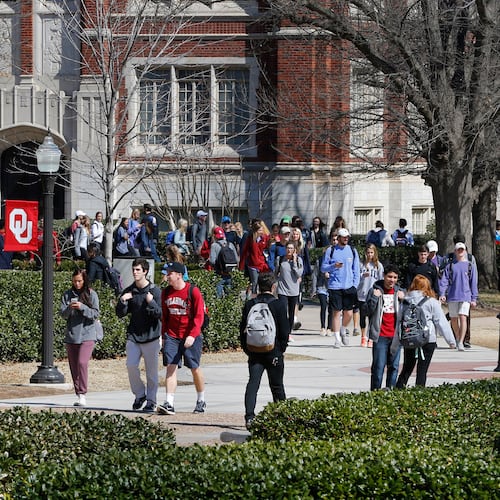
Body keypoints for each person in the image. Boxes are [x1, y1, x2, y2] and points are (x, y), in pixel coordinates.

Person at [239, 272, 289, 430]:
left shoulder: (249, 304)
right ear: (273, 287)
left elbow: (242, 330)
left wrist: (248, 350)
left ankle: (249, 417)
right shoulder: (278, 304)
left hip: (254, 351)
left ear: (258, 286)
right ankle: (281, 417)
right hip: (273, 351)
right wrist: (280, 350)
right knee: (277, 386)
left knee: (253, 384)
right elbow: (284, 331)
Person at [157, 262, 207, 415]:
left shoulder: (193, 291)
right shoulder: (165, 293)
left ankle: (201, 399)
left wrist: (192, 335)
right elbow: (164, 317)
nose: (167, 276)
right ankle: (169, 402)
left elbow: (200, 316)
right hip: (172, 335)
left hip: (190, 335)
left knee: (194, 368)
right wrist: (163, 336)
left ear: (179, 275)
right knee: (171, 366)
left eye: (170, 273)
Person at [115, 258, 162, 413]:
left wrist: (151, 302)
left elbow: (160, 314)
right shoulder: (129, 290)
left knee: (151, 372)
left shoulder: (154, 291)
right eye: (133, 269)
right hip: (134, 336)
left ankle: (151, 401)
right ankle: (140, 394)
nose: (135, 272)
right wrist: (123, 300)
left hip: (152, 337)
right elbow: (120, 314)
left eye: (138, 270)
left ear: (145, 272)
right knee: (131, 365)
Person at [393, 274, 456, 388]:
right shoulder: (432, 302)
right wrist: (451, 341)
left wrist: (394, 345)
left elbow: (399, 323)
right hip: (428, 339)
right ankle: (419, 394)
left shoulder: (405, 302)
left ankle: (398, 392)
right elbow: (441, 322)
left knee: (407, 368)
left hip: (409, 338)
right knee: (422, 370)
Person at [60, 269, 100, 407]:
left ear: (84, 280)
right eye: (75, 281)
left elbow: (95, 314)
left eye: (80, 281)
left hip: (88, 334)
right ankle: (78, 394)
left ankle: (83, 393)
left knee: (82, 363)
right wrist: (70, 308)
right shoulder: (67, 294)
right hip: (71, 335)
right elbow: (63, 314)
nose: (77, 284)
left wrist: (82, 307)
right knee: (74, 366)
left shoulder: (91, 294)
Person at [365, 263, 405, 390]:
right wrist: (374, 299)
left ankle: (390, 394)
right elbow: (366, 311)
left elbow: (407, 314)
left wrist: (404, 300)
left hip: (395, 336)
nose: (392, 280)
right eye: (389, 277)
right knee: (378, 367)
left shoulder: (400, 292)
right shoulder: (375, 291)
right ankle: (375, 393)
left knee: (394, 367)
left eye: (394, 277)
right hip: (380, 336)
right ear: (384, 276)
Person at [320, 228, 360, 348]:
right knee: (336, 313)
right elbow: (323, 268)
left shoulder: (352, 250)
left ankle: (343, 329)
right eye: (344, 237)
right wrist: (333, 266)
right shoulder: (331, 250)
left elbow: (356, 269)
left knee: (348, 313)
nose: (346, 239)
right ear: (338, 238)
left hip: (349, 286)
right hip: (335, 286)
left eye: (347, 237)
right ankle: (337, 338)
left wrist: (355, 285)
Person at [439, 242, 478, 351]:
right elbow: (444, 280)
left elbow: (473, 282)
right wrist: (442, 293)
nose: (460, 252)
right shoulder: (450, 265)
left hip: (466, 296)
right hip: (452, 296)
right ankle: (457, 338)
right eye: (458, 250)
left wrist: (474, 298)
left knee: (463, 317)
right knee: (454, 319)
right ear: (455, 251)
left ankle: (461, 341)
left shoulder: (470, 265)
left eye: (462, 250)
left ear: (465, 251)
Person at [357, 244, 384, 347]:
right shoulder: (361, 265)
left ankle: (371, 338)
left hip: (373, 294)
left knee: (373, 318)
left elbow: (381, 280)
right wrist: (362, 275)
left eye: (371, 253)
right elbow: (356, 277)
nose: (369, 255)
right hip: (362, 294)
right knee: (362, 317)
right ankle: (363, 336)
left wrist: (379, 291)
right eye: (368, 253)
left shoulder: (378, 265)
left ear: (375, 253)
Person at [276, 242, 304, 334]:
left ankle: (289, 331)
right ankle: (282, 330)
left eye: (291, 248)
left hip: (293, 290)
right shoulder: (280, 259)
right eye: (288, 248)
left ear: (295, 250)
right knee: (282, 310)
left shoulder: (299, 260)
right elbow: (276, 272)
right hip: (282, 289)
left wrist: (295, 262)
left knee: (291, 312)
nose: (289, 250)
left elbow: (298, 274)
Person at [239, 220, 270, 297]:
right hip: (252, 265)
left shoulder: (265, 238)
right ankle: (254, 299)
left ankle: (262, 297)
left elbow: (267, 250)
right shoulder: (250, 239)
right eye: (260, 230)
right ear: (255, 231)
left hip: (262, 264)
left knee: (263, 282)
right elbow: (244, 252)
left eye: (262, 229)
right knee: (254, 282)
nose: (262, 231)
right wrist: (241, 266)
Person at [209, 226, 239, 298]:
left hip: (219, 274)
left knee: (219, 298)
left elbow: (212, 261)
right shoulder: (230, 244)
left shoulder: (214, 245)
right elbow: (237, 259)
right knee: (230, 297)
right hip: (229, 273)